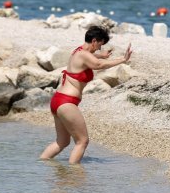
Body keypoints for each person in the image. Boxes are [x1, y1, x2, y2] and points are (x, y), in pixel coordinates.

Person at [40, 26, 132, 164]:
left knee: (62, 142)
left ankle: (41, 164)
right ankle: (74, 175)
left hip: (58, 100)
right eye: (99, 45)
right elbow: (98, 64)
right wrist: (122, 59)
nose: (98, 49)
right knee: (82, 141)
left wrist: (102, 55)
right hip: (67, 103)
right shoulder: (83, 54)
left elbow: (92, 57)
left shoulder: (78, 51)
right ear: (94, 41)